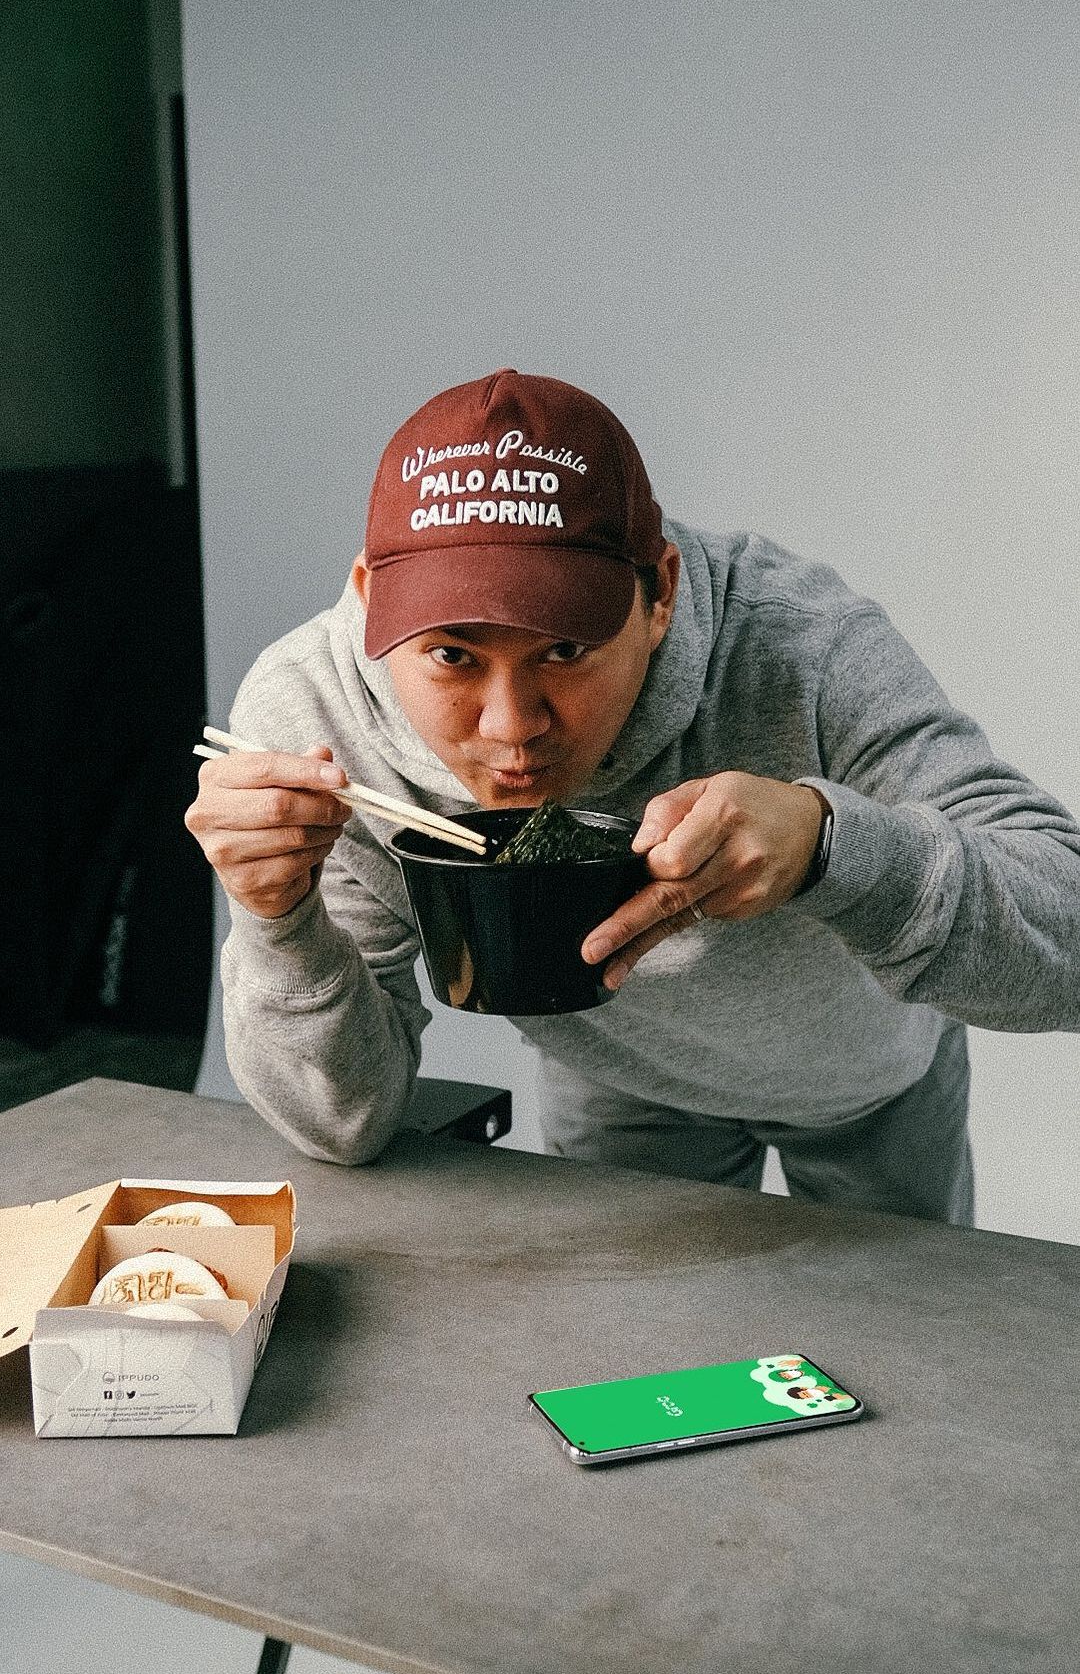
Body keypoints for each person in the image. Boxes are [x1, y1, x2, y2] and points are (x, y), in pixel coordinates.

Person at [185, 369, 1080, 1222]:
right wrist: (278, 922)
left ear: (660, 595)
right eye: (453, 655)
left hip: (866, 1076)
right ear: (369, 598)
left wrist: (825, 843)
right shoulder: (315, 717)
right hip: (615, 1073)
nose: (511, 727)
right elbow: (342, 1123)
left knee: (907, 1323)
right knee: (629, 1331)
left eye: (564, 650)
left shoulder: (804, 649)